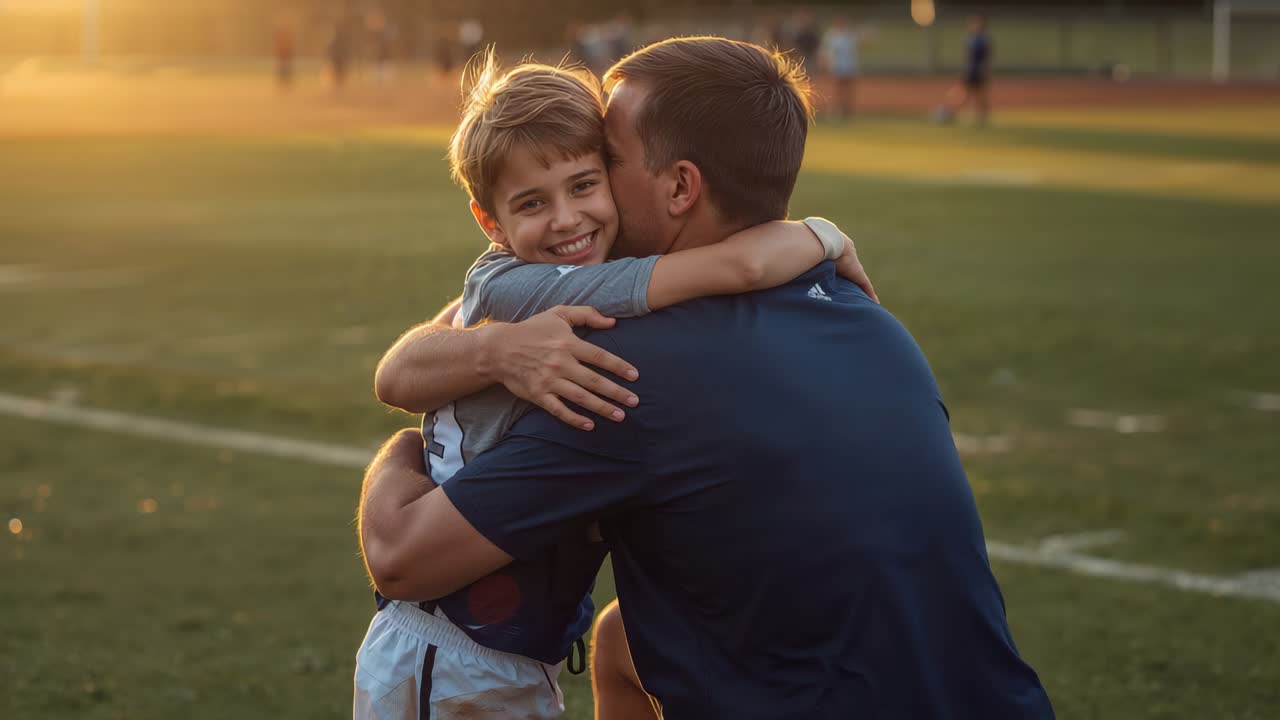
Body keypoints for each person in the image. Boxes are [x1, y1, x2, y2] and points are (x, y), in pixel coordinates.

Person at [360, 37, 1054, 719]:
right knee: (618, 642)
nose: (580, 206)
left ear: (681, 187)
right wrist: (820, 235)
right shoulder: (871, 321)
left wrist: (406, 452)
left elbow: (401, 560)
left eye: (606, 163)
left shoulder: (632, 369)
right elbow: (449, 333)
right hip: (990, 700)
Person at [941, 14, 993, 125]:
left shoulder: (984, 40)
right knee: (963, 93)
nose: (974, 26)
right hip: (971, 72)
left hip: (978, 71)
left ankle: (981, 117)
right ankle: (949, 112)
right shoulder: (970, 39)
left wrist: (986, 71)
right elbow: (968, 58)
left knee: (980, 95)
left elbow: (987, 58)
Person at [821, 15, 859, 119]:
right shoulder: (831, 35)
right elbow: (826, 52)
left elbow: (853, 52)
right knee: (837, 90)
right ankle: (836, 110)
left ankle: (847, 111)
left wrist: (854, 67)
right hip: (836, 66)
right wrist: (827, 65)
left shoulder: (849, 35)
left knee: (848, 90)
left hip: (848, 66)